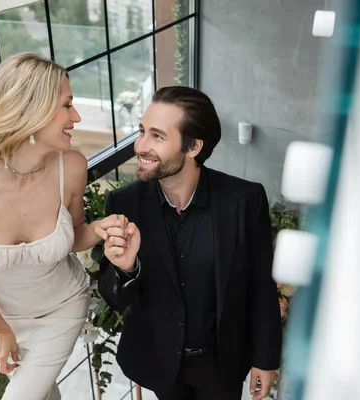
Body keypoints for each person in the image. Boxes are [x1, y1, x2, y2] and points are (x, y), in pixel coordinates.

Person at [0, 52, 122, 400]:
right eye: (67, 105)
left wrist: (100, 228)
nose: (76, 117)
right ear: (31, 108)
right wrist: (0, 328)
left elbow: (74, 234)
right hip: (4, 319)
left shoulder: (72, 166)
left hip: (63, 308)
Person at [95, 86, 283, 400]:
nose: (140, 145)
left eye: (157, 136)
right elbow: (113, 296)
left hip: (222, 365)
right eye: (142, 132)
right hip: (159, 365)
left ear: (193, 146)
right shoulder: (124, 203)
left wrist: (266, 359)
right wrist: (125, 268)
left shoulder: (245, 200)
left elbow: (261, 285)